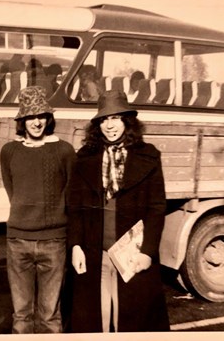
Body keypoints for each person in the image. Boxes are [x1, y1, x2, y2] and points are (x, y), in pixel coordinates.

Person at [66, 90, 169, 332]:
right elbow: (75, 207)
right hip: (95, 253)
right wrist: (76, 246)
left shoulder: (148, 156)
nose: (109, 125)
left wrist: (148, 252)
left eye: (115, 118)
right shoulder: (85, 157)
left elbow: (156, 207)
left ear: (126, 120)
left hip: (132, 255)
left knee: (131, 320)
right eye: (104, 119)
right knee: (96, 320)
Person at [0, 86, 76, 334]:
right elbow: (13, 192)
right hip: (18, 241)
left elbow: (70, 191)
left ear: (48, 118)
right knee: (21, 316)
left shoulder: (64, 150)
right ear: (22, 120)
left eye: (41, 116)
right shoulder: (9, 151)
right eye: (31, 116)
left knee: (50, 316)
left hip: (53, 242)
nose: (37, 122)